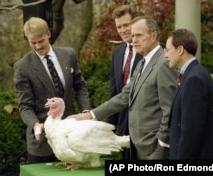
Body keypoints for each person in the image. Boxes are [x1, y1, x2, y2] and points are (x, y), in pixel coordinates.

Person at [68, 15, 177, 160]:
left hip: (155, 149)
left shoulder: (163, 63)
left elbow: (170, 110)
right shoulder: (141, 63)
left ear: (154, 36)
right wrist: (91, 115)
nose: (134, 40)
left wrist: (162, 144)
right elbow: (124, 97)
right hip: (137, 145)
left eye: (139, 35)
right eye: (132, 36)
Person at [13, 17, 91, 164]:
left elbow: (80, 86)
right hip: (43, 143)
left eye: (41, 41)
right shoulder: (22, 67)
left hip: (73, 138)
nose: (37, 46)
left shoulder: (69, 55)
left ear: (48, 34)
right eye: (33, 42)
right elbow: (25, 106)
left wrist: (86, 112)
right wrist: (35, 124)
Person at [164, 28, 213, 159]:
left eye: (167, 50)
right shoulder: (193, 74)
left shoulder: (194, 79)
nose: (166, 56)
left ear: (180, 50)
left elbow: (191, 133)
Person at [107, 5, 143, 160]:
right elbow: (114, 90)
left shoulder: (154, 52)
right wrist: (110, 126)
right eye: (119, 27)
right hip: (123, 123)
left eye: (126, 25)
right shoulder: (118, 52)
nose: (122, 30)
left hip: (145, 125)